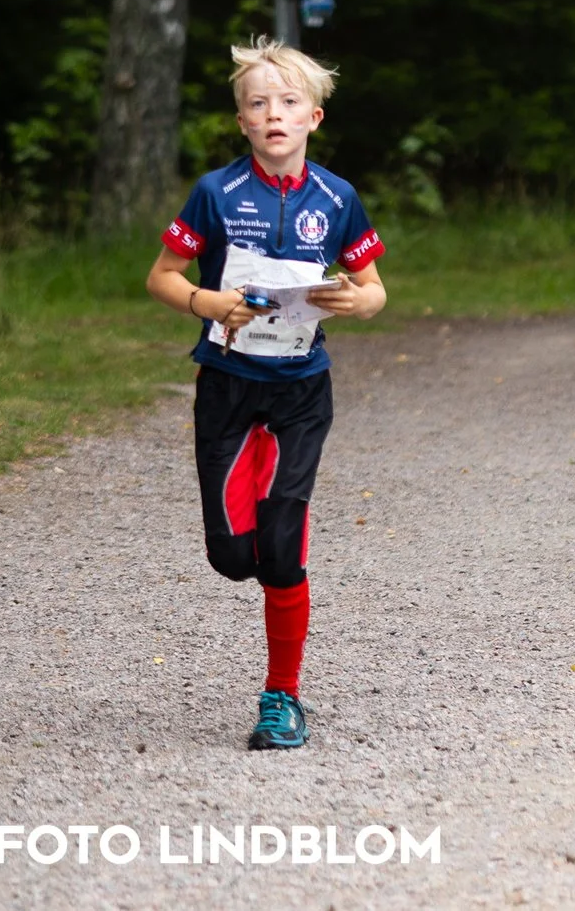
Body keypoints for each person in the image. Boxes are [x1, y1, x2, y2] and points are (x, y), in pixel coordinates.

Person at [144, 38, 388, 750]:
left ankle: (282, 696)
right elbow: (161, 275)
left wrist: (353, 302)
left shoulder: (337, 199)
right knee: (231, 559)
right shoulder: (215, 193)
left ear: (313, 117)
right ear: (243, 121)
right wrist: (207, 302)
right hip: (226, 383)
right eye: (257, 103)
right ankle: (251, 485)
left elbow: (375, 290)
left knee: (281, 552)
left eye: (286, 103)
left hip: (300, 391)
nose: (272, 113)